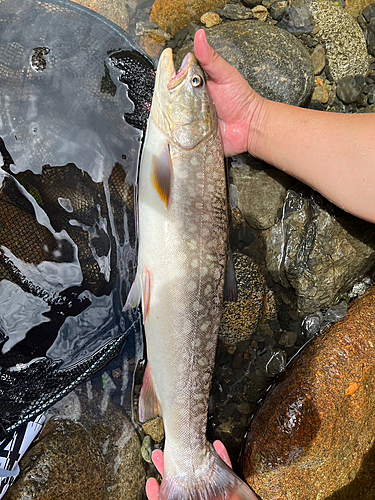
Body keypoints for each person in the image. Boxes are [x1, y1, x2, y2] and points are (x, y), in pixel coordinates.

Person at [146, 28, 375, 499]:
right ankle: (187, 457)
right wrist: (251, 119)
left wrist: (249, 118)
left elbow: (156, 183)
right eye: (197, 86)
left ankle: (188, 462)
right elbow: (161, 184)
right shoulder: (177, 151)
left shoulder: (168, 154)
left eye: (194, 86)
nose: (189, 77)